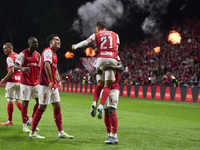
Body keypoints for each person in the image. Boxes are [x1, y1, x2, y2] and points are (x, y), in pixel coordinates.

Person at [72, 20, 120, 119]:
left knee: (99, 84)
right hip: (112, 58)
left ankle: (94, 102)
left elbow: (86, 42)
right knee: (107, 85)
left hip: (100, 59)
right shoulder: (115, 34)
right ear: (105, 27)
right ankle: (101, 105)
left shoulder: (96, 34)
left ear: (98, 27)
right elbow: (116, 47)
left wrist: (75, 46)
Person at [29, 34, 74, 139]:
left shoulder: (54, 54)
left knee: (57, 106)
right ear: (50, 42)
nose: (59, 41)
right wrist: (50, 81)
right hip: (45, 85)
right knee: (42, 107)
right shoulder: (48, 51)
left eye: (59, 40)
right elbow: (46, 65)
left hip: (52, 85)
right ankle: (32, 132)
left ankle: (61, 132)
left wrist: (58, 80)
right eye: (56, 40)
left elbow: (55, 68)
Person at [91, 57, 123, 144]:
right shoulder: (98, 60)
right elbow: (93, 74)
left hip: (113, 88)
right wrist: (96, 72)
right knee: (106, 111)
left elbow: (121, 68)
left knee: (112, 110)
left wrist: (111, 67)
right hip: (103, 89)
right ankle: (109, 135)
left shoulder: (115, 57)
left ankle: (115, 136)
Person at [14, 37, 40, 132]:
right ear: (29, 43)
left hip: (36, 83)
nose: (36, 44)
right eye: (34, 42)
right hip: (25, 83)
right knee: (25, 103)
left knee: (40, 103)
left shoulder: (38, 55)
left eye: (37, 42)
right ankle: (24, 126)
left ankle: (32, 120)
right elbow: (15, 65)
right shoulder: (23, 54)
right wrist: (22, 68)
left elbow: (40, 68)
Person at [0, 42, 23, 126]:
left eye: (6, 48)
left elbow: (11, 71)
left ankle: (9, 121)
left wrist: (3, 80)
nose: (4, 50)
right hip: (19, 82)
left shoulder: (9, 58)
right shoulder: (19, 56)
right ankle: (25, 115)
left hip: (12, 82)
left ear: (11, 48)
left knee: (10, 101)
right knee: (17, 100)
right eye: (3, 49)